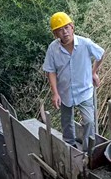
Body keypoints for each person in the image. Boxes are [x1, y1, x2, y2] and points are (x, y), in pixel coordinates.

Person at [43, 12, 104, 152]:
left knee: (89, 121)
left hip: (84, 90)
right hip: (64, 91)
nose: (64, 32)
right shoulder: (53, 48)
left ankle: (89, 151)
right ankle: (70, 146)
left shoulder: (85, 43)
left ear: (72, 27)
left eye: (66, 27)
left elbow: (101, 54)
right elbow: (50, 71)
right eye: (60, 30)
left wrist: (93, 72)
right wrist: (55, 93)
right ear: (55, 34)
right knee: (66, 122)